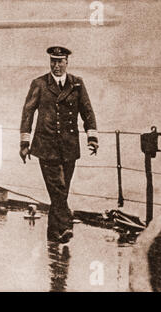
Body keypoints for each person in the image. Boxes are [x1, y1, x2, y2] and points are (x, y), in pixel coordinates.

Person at [19, 46, 99, 243]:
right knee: (58, 189)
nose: (56, 65)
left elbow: (87, 110)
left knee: (62, 190)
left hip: (70, 146)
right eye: (53, 61)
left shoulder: (77, 84)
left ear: (67, 62)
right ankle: (66, 225)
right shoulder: (39, 83)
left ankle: (54, 235)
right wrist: (24, 142)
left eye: (60, 61)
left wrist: (92, 137)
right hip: (46, 147)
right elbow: (28, 113)